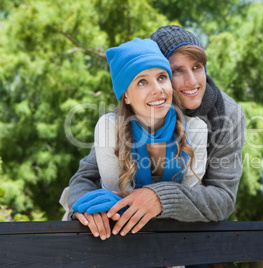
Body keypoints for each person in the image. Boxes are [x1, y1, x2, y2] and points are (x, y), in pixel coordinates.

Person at [64, 25, 246, 241]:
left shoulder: (226, 114)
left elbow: (223, 199)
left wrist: (160, 197)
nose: (192, 81)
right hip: (124, 230)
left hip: (193, 230)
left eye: (197, 67)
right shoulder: (133, 112)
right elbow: (86, 177)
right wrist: (87, 208)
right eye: (177, 70)